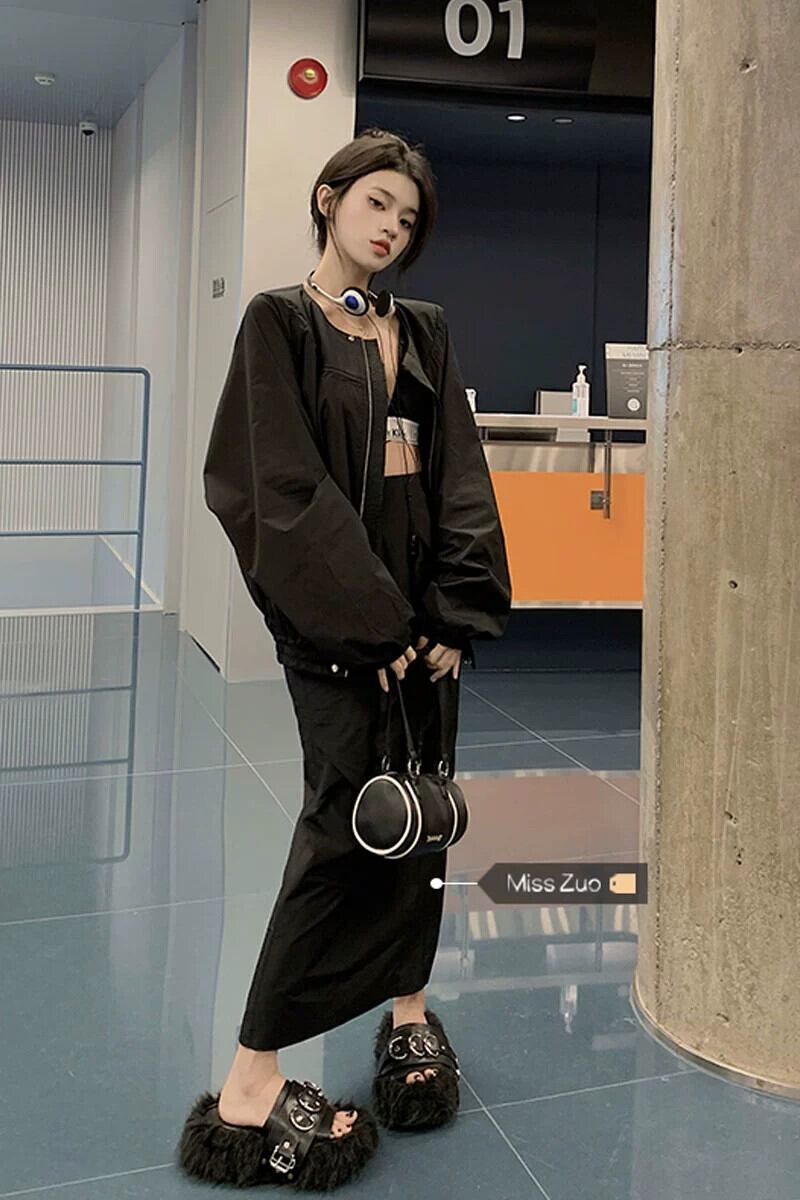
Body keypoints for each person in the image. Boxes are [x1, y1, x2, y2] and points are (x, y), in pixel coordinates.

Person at [177, 127, 511, 1191]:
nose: (389, 228)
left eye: (406, 219)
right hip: (342, 635)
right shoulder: (278, 323)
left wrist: (451, 614)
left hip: (425, 634)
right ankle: (251, 1079)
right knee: (341, 823)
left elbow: (458, 474)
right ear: (328, 199)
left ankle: (408, 1009)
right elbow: (272, 485)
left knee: (423, 813)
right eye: (375, 203)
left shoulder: (423, 331)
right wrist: (372, 626)